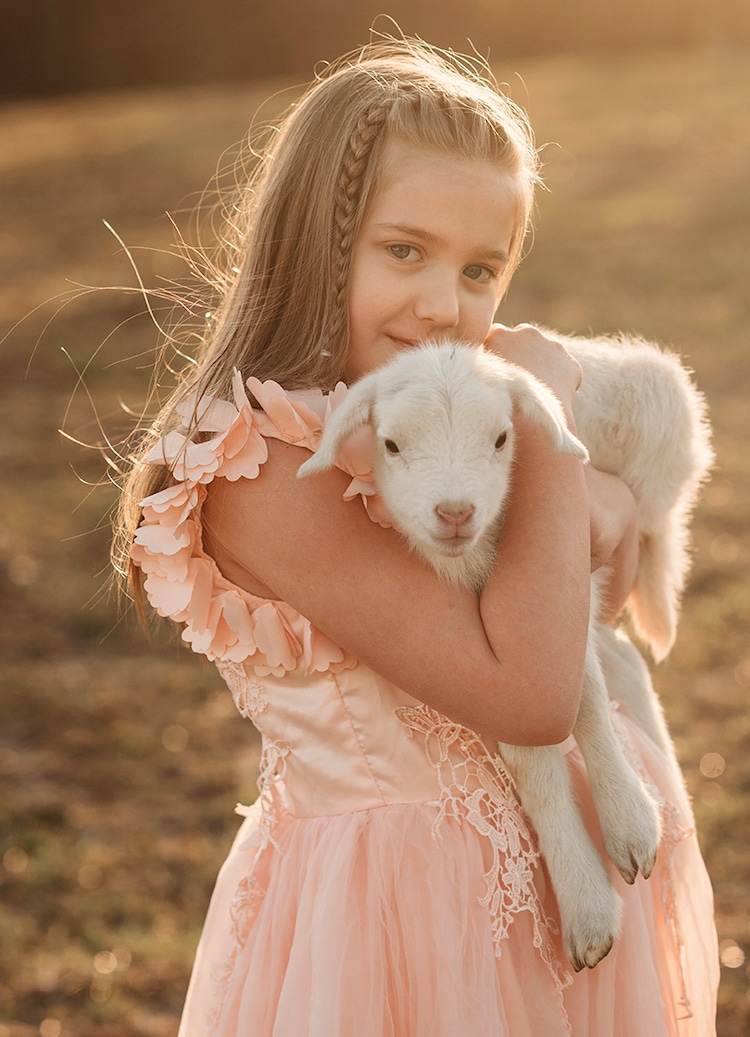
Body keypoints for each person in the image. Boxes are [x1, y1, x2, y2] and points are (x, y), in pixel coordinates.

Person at [115, 37, 719, 1036]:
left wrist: (595, 495)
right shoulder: (259, 469)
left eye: (481, 269)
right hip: (405, 930)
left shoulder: (430, 418)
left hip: (566, 895)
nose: (446, 306)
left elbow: (560, 555)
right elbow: (527, 694)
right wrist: (553, 428)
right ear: (315, 238)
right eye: (405, 250)